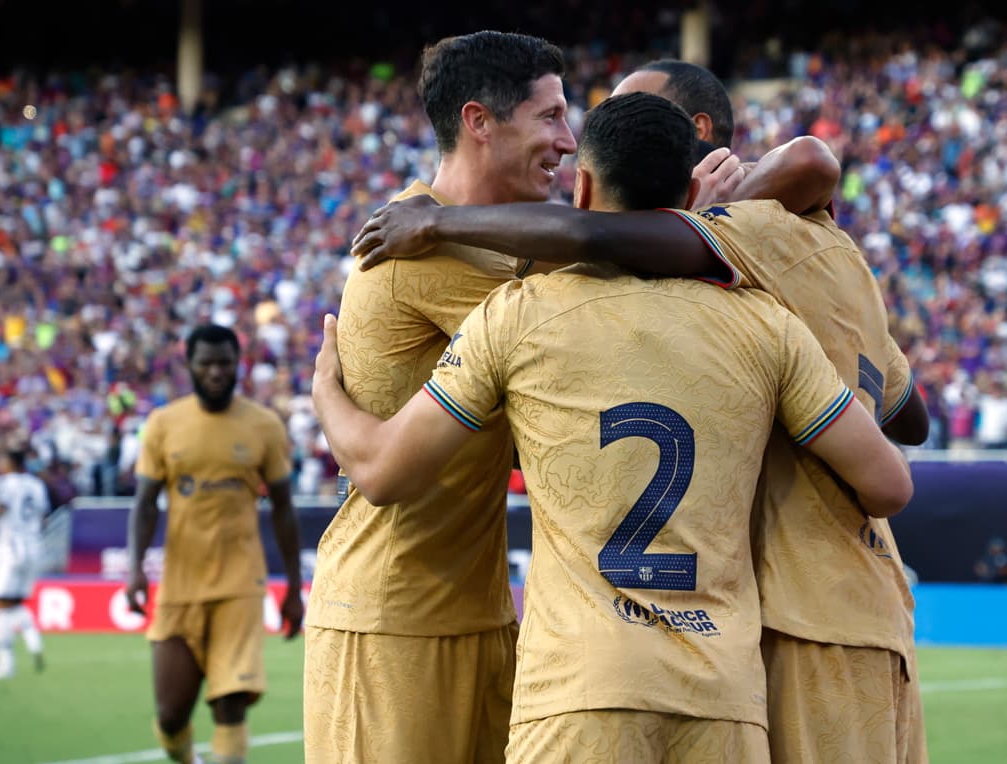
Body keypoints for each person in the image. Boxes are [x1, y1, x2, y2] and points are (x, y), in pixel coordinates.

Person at [349, 60, 932, 763]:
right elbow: (906, 431)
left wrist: (440, 226)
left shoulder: (721, 245)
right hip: (815, 630)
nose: (572, 140)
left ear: (697, 135)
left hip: (745, 634)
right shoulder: (816, 272)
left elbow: (594, 237)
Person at [302, 31, 577, 764]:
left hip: (470, 612)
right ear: (479, 121)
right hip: (392, 621)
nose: (569, 140)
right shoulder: (415, 252)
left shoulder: (476, 239)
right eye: (549, 117)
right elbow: (584, 334)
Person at [126, 324, 303, 764]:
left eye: (225, 362)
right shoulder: (164, 424)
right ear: (189, 365)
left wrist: (295, 589)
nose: (217, 372)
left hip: (240, 586)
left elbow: (283, 507)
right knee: (170, 715)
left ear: (238, 364)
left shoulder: (263, 425)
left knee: (230, 705)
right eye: (206, 363)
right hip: (180, 587)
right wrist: (134, 569)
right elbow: (145, 504)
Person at [0, 448, 49, 681]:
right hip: (33, 547)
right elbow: (43, 518)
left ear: (11, 462)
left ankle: (6, 665)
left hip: (10, 547)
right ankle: (33, 638)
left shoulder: (5, 483)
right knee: (14, 602)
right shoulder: (37, 485)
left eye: (2, 459)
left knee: (2, 603)